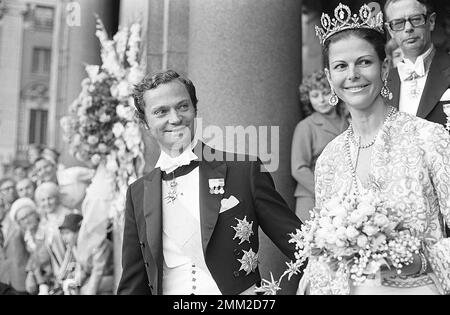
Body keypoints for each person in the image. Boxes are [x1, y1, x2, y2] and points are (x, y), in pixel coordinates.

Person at [302, 3, 450, 295]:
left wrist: (417, 261)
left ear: (384, 67)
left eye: (364, 62)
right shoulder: (329, 159)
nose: (353, 74)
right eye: (341, 66)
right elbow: (322, 259)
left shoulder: (429, 138)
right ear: (330, 78)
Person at [117, 70, 302, 295]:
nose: (175, 118)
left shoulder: (244, 170)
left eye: (183, 106)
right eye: (161, 112)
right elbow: (133, 281)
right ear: (144, 121)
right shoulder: (138, 193)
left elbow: (300, 244)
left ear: (195, 109)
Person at [291, 70, 349, 222]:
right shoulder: (305, 126)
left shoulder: (350, 122)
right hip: (312, 197)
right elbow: (298, 169)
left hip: (345, 197)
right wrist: (326, 192)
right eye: (315, 96)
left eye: (325, 93)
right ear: (308, 99)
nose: (321, 100)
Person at [385, 0, 450, 126]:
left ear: (431, 21)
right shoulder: (383, 83)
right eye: (398, 23)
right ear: (390, 30)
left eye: (415, 19)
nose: (408, 28)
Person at [59, 213, 114, 295]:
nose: (64, 238)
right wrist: (76, 282)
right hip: (97, 278)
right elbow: (85, 269)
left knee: (84, 290)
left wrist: (87, 291)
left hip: (111, 276)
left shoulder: (97, 242)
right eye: (62, 234)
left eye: (67, 233)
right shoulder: (75, 246)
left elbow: (97, 271)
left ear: (79, 231)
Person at [34, 182, 72, 283]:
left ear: (57, 198)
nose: (47, 203)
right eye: (43, 200)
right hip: (58, 275)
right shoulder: (44, 221)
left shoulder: (68, 215)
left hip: (71, 271)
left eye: (50, 198)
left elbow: (72, 248)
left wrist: (63, 272)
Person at [0, 196, 29, 292]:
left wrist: (31, 274)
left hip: (22, 280)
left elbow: (32, 252)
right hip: (3, 283)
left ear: (5, 207)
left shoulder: (18, 224)